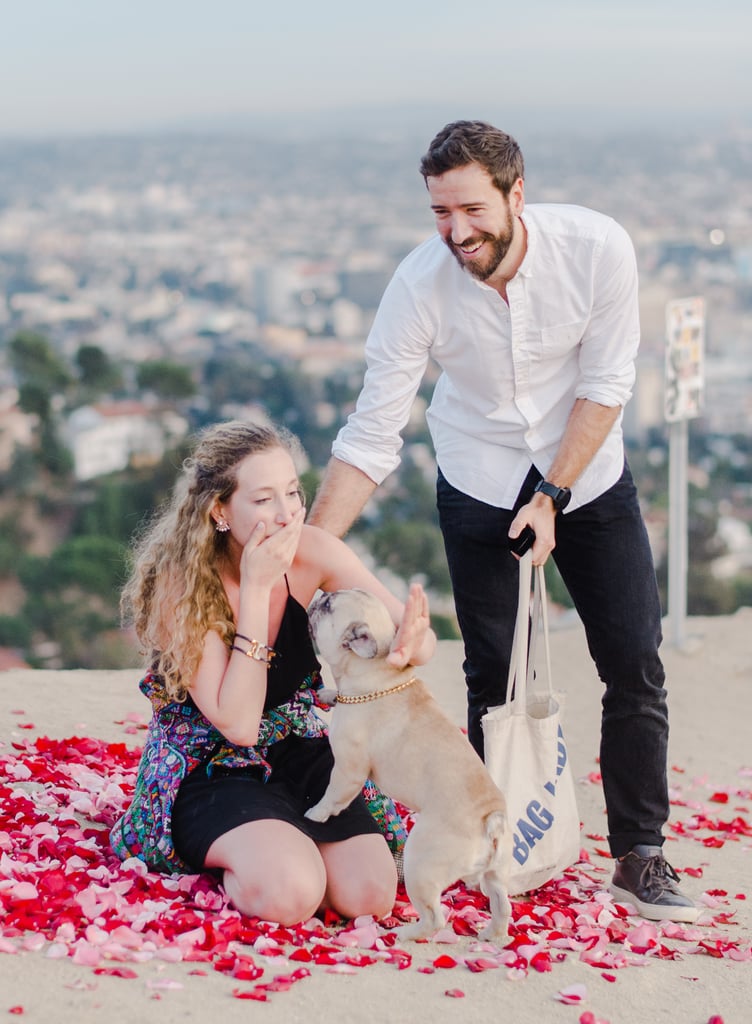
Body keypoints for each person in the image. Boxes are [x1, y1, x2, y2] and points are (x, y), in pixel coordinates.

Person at [308, 120, 698, 923]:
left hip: (586, 475)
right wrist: (305, 556)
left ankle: (641, 853)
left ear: (518, 193)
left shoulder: (598, 249)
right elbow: (373, 433)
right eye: (439, 214)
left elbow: (607, 381)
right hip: (479, 476)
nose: (456, 232)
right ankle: (498, 846)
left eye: (472, 210)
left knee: (633, 658)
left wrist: (552, 493)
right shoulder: (419, 285)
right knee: (495, 679)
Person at [110, 419, 436, 927]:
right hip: (209, 764)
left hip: (296, 747)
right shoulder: (183, 586)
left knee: (371, 895)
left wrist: (414, 641)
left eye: (292, 493)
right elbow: (237, 725)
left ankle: (282, 838)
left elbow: (413, 633)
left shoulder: (311, 551)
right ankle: (257, 853)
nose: (286, 515)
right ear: (219, 511)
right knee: (291, 896)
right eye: (263, 500)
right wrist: (258, 592)